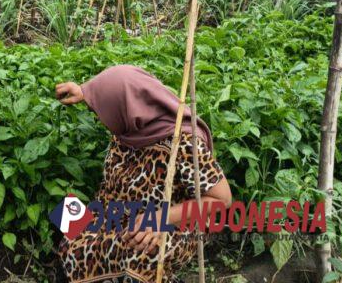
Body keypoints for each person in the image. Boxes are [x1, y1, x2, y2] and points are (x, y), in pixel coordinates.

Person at [55, 65, 232, 283]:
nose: (101, 120)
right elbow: (116, 89)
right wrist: (85, 92)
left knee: (139, 253)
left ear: (124, 108)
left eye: (101, 112)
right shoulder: (128, 129)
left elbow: (221, 200)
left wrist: (158, 219)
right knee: (67, 221)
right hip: (118, 210)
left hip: (170, 223)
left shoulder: (183, 142)